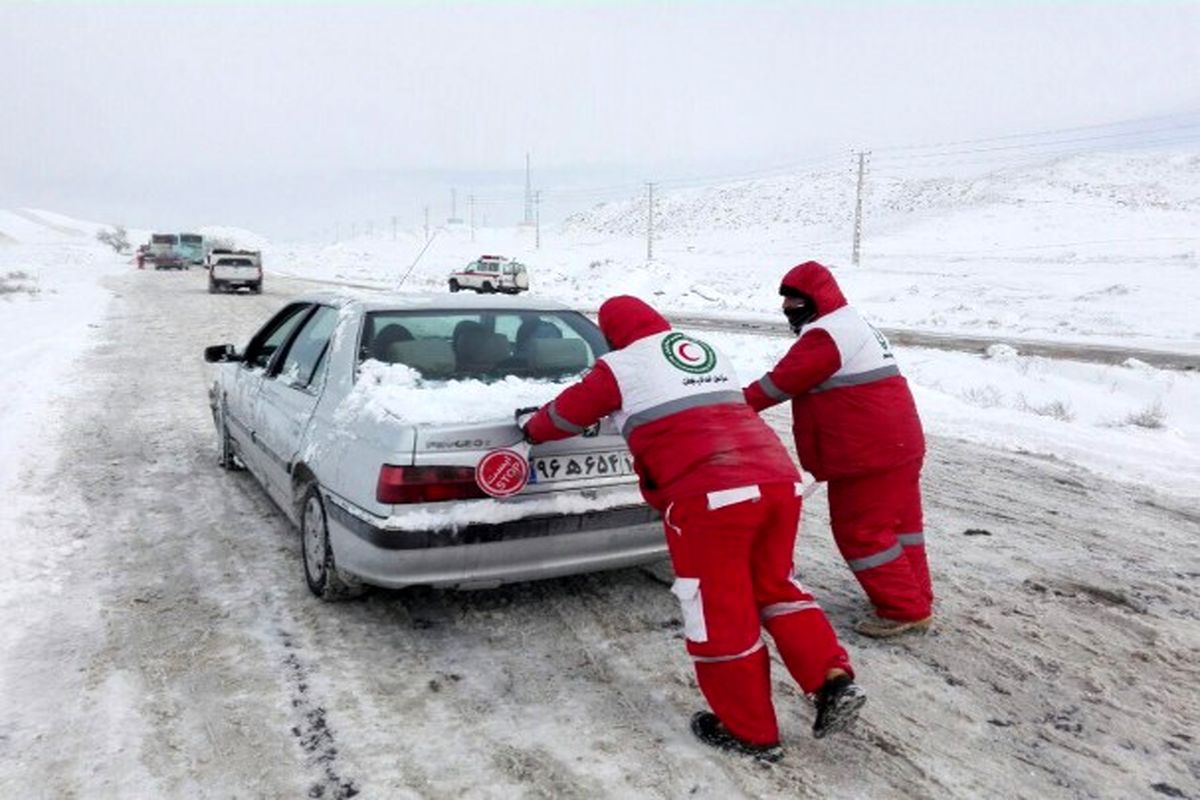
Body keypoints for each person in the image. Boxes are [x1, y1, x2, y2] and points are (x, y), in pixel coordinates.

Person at [520, 295, 865, 762]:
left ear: (612, 334)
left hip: (710, 496)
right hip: (777, 481)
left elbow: (564, 416)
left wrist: (531, 430)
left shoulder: (619, 366)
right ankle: (831, 680)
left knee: (718, 608)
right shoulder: (701, 348)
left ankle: (749, 732)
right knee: (776, 585)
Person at [742, 261, 933, 638]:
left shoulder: (827, 335)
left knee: (861, 531)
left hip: (868, 454)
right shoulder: (852, 324)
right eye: (785, 300)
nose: (788, 308)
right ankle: (916, 598)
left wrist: (727, 407)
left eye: (795, 299)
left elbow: (780, 383)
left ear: (817, 297)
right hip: (897, 443)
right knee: (901, 526)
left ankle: (902, 609)